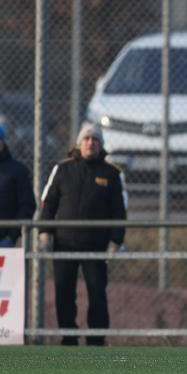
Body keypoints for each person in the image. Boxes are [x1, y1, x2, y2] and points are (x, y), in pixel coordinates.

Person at [38, 122, 128, 346]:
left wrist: (115, 241)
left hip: (96, 245)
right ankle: (69, 336)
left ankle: (96, 339)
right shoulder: (63, 168)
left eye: (95, 140)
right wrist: (45, 233)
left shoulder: (112, 173)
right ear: (79, 143)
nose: (91, 143)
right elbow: (48, 204)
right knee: (64, 293)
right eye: (87, 139)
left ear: (101, 145)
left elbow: (120, 211)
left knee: (97, 293)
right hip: (65, 243)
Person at [0, 121, 36, 248]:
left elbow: (27, 205)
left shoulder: (18, 170)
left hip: (2, 243)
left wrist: (12, 236)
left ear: (4, 141)